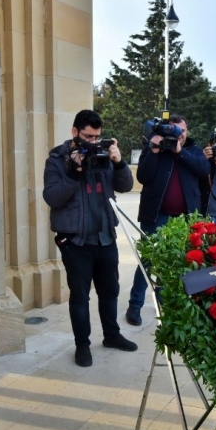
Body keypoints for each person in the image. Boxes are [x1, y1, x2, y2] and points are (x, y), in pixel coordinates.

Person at [43, 109, 137, 367]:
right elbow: (52, 198)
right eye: (88, 136)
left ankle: (112, 335)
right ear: (75, 132)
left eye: (97, 137)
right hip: (76, 241)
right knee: (80, 296)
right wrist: (74, 171)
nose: (93, 142)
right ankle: (82, 345)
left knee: (110, 291)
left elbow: (125, 185)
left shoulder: (103, 154)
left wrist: (118, 162)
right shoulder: (57, 160)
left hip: (105, 235)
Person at [126, 115, 209, 326]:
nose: (180, 135)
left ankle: (168, 306)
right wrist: (154, 151)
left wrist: (179, 152)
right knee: (148, 261)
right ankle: (135, 305)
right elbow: (143, 177)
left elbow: (203, 170)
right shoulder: (155, 147)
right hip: (156, 215)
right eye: (175, 131)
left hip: (184, 218)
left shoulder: (193, 150)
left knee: (176, 262)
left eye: (183, 131)